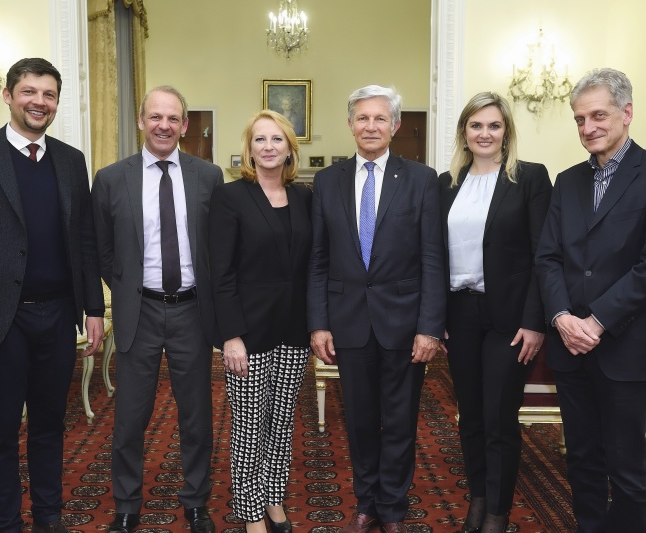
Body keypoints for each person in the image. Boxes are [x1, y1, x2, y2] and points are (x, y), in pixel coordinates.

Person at [0, 57, 104, 533]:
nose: (39, 102)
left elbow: (84, 241)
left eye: (49, 95)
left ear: (56, 104)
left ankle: (49, 520)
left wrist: (93, 308)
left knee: (51, 428)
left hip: (57, 317)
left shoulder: (71, 161)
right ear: (8, 95)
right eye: (30, 92)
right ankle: (5, 524)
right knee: (1, 433)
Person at [535, 68, 646, 532]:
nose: (588, 128)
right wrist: (562, 317)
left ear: (626, 113)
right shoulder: (568, 181)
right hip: (570, 345)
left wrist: (596, 322)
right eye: (580, 119)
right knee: (581, 456)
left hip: (626, 346)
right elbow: (548, 258)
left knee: (626, 464)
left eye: (598, 115)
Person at [307, 85, 446, 533]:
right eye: (362, 118)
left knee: (402, 422)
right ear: (350, 125)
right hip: (348, 324)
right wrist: (319, 324)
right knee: (361, 421)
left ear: (396, 126)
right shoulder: (327, 182)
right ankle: (366, 502)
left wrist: (430, 327)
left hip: (405, 325)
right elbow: (318, 259)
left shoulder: (423, 180)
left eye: (379, 118)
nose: (370, 126)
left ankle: (392, 507)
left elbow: (432, 258)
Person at [92, 86, 223, 533]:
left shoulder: (209, 175)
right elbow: (102, 249)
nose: (164, 125)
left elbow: (218, 247)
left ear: (185, 125)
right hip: (140, 312)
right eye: (155, 117)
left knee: (197, 417)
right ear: (141, 121)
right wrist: (127, 290)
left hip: (192, 312)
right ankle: (127, 505)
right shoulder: (111, 178)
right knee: (129, 418)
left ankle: (196, 502)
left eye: (173, 118)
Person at [438, 92, 552, 533]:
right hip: (460, 313)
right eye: (476, 126)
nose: (484, 134)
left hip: (511, 319)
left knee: (499, 416)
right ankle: (479, 498)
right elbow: (433, 253)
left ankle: (498, 513)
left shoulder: (530, 179)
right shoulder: (445, 183)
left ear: (506, 132)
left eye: (494, 126)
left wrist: (534, 321)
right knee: (469, 413)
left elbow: (544, 254)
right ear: (464, 133)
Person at [209, 110, 312, 533]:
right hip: (248, 332)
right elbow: (221, 271)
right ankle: (250, 511)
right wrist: (230, 335)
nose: (268, 147)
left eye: (277, 139)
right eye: (259, 140)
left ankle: (274, 499)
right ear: (248, 148)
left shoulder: (306, 196)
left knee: (282, 421)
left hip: (295, 327)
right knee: (250, 425)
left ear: (290, 147)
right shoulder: (230, 197)